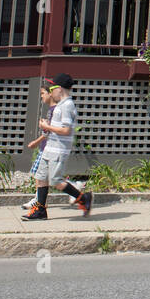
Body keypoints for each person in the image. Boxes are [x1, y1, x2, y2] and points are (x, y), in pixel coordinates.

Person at [22, 74, 92, 220]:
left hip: (59, 150)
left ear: (59, 89)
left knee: (55, 181)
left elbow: (66, 130)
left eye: (52, 88)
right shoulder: (60, 106)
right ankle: (40, 211)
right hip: (49, 148)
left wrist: (47, 126)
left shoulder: (67, 106)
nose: (51, 91)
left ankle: (83, 198)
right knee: (41, 178)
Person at [21, 79, 55, 212]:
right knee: (43, 176)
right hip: (46, 147)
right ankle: (39, 200)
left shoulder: (54, 110)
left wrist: (36, 141)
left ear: (50, 93)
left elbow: (49, 131)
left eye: (42, 93)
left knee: (41, 176)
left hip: (47, 148)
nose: (41, 96)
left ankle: (39, 201)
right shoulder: (51, 110)